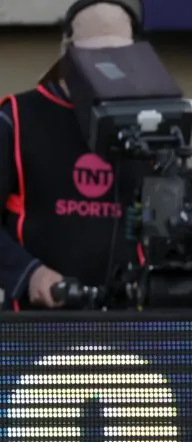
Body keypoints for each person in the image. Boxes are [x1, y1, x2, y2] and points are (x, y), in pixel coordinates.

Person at [0, 0, 145, 310]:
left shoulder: (148, 124)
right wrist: (30, 274)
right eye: (94, 56)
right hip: (37, 325)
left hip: (132, 325)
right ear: (67, 53)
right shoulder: (16, 117)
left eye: (118, 56)